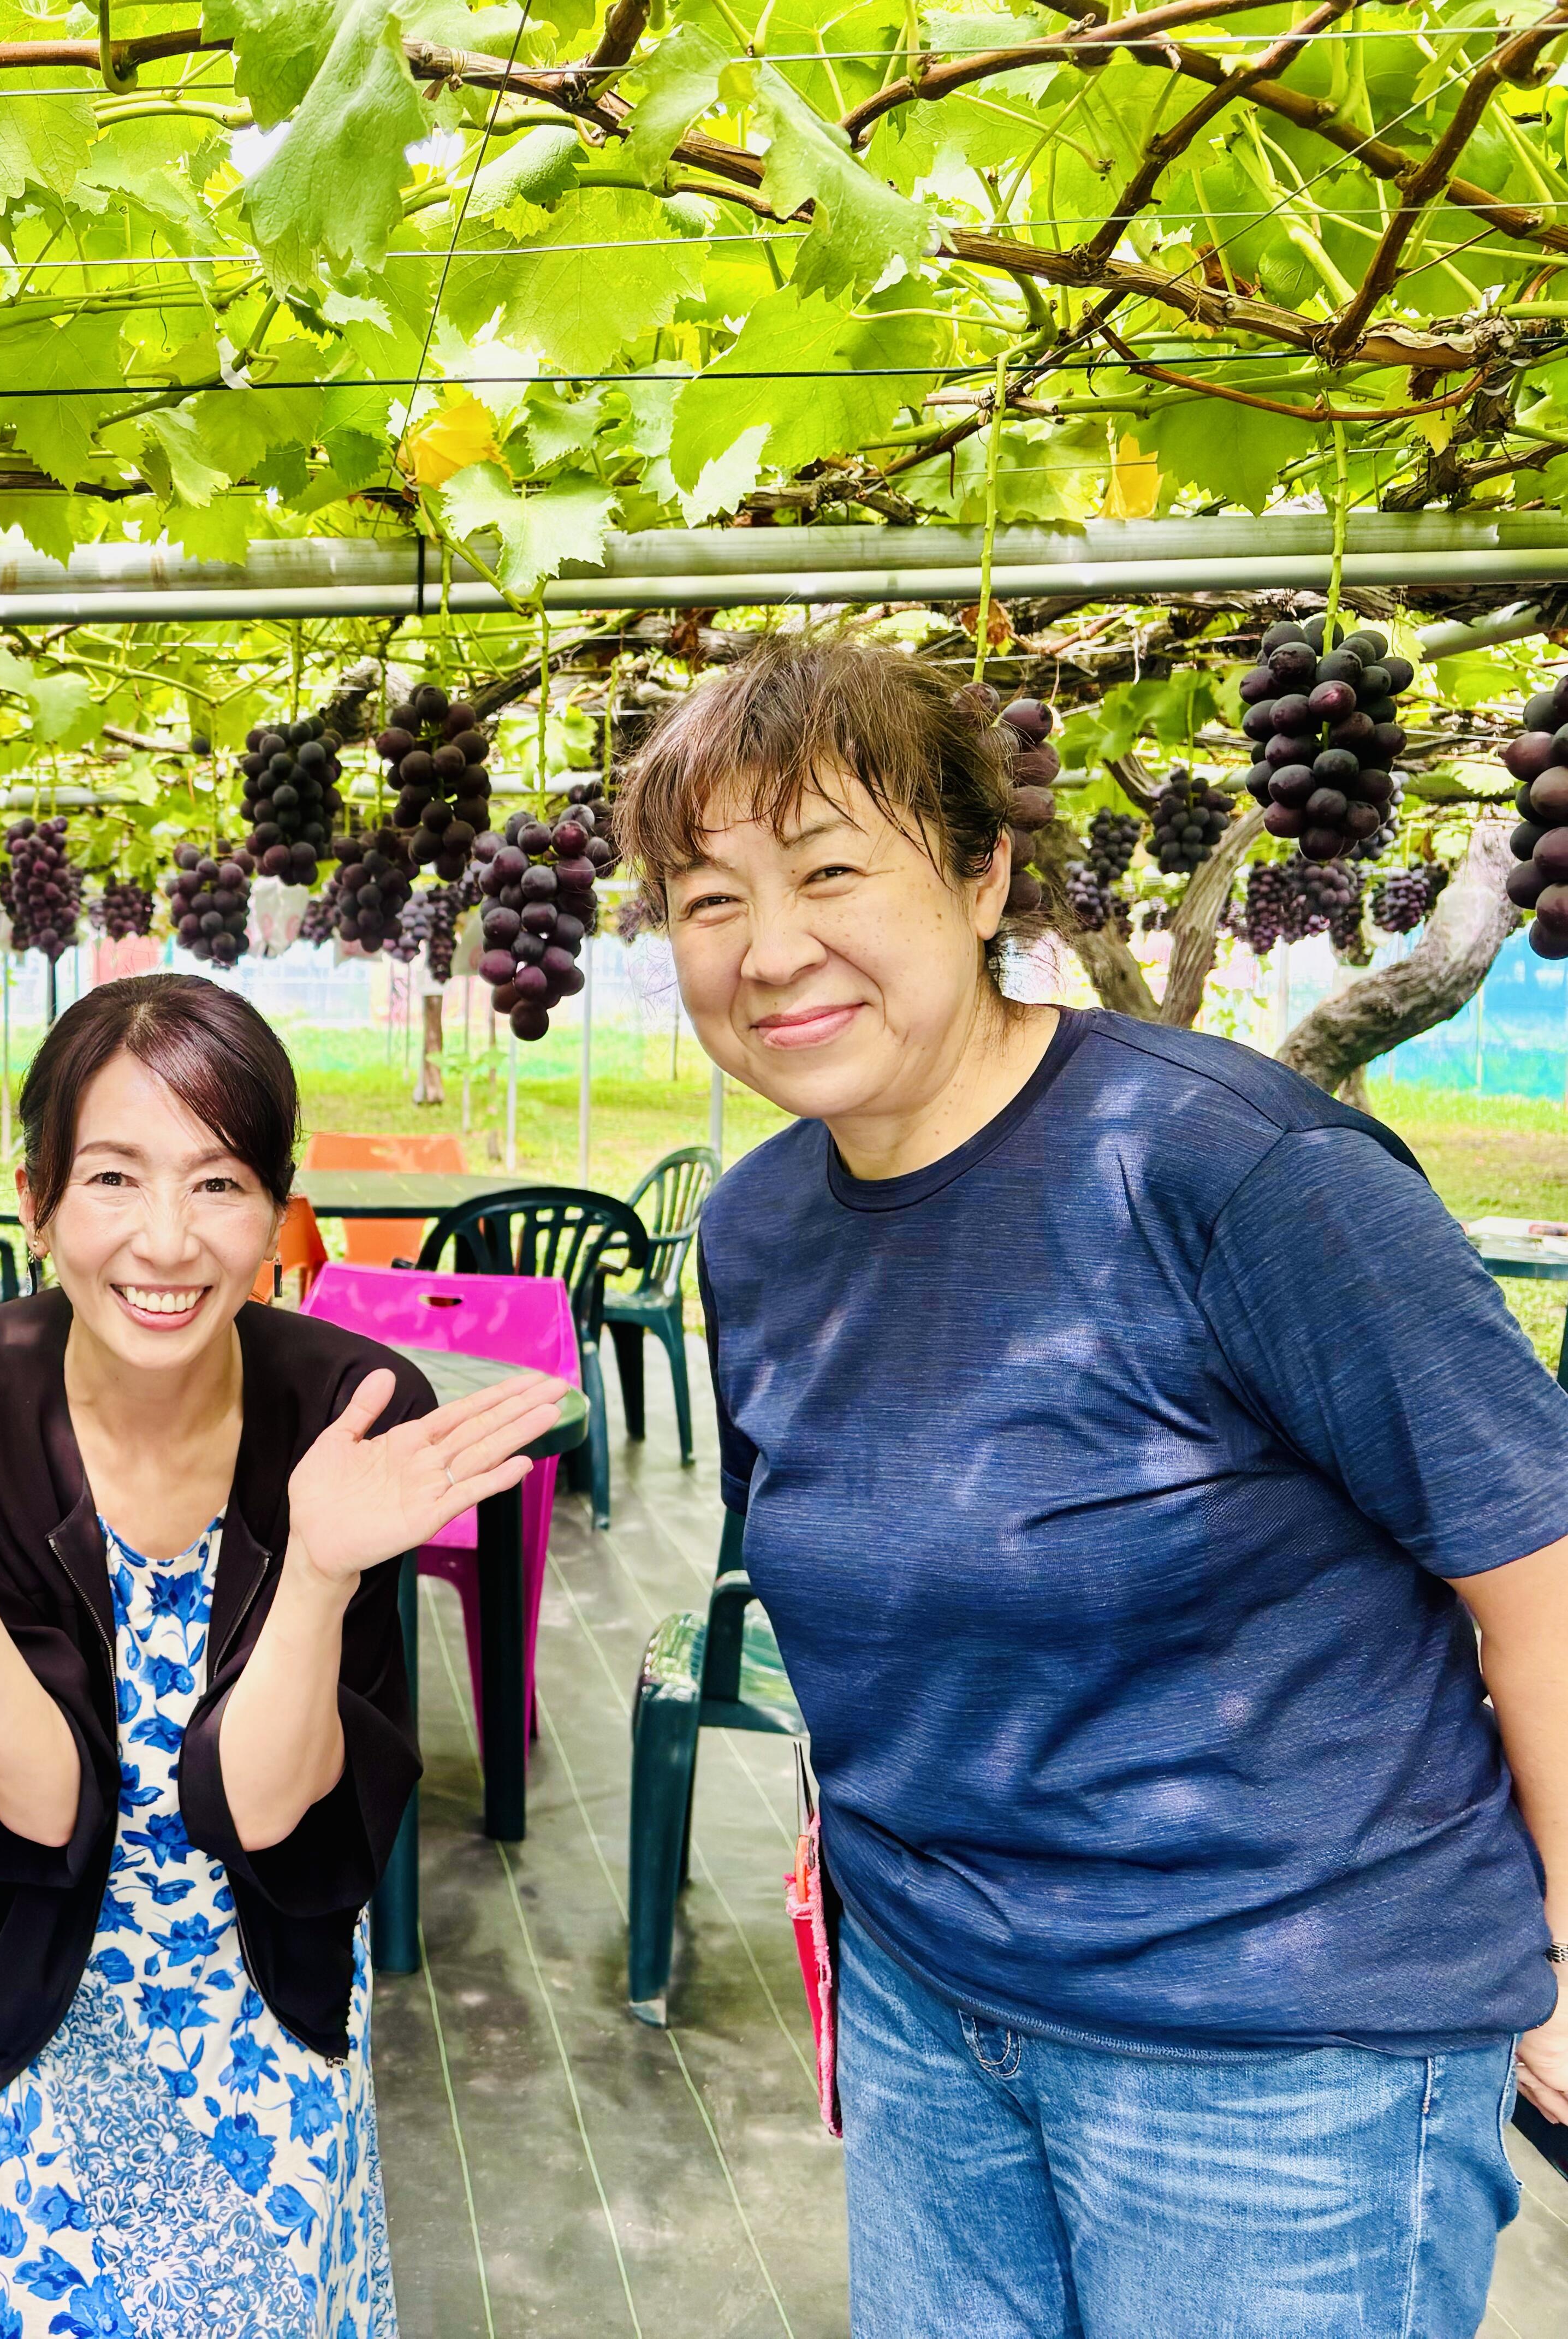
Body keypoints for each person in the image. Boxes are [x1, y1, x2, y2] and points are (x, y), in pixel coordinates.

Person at [622, 632, 1568, 2338]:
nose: (771, 951)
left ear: (985, 870)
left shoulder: (1234, 1169)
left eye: (833, 870)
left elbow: (1540, 1564)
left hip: (1280, 2050)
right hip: (935, 2006)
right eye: (707, 899)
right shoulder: (756, 1228)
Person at [0, 973, 561, 2335]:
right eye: (112, 1177)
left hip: (258, 1993)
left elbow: (266, 1811)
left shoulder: (346, 1408)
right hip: (24, 1978)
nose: (165, 1242)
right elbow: (35, 1818)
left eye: (219, 1185)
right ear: (37, 1199)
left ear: (282, 1212)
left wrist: (325, 1569)